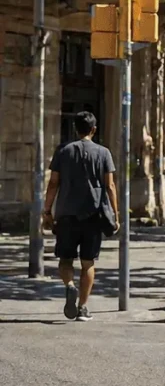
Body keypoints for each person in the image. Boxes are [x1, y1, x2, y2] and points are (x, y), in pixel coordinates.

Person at [42, 111, 119, 322]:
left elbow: (53, 183)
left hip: (66, 214)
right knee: (88, 263)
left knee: (65, 260)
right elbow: (110, 185)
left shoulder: (63, 151)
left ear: (76, 129)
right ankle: (83, 307)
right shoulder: (104, 153)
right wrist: (115, 213)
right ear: (94, 130)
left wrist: (47, 210)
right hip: (93, 215)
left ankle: (69, 285)